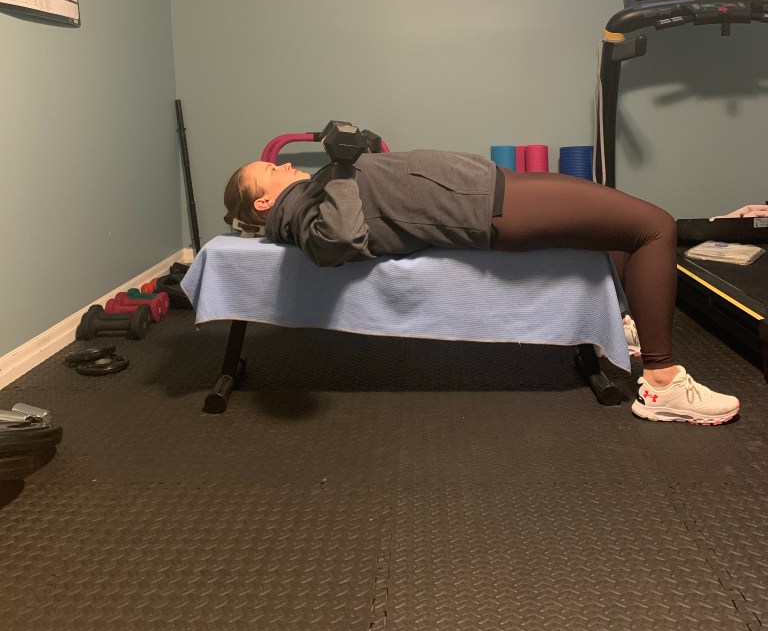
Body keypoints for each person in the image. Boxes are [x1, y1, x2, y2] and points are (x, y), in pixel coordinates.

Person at [223, 151, 740, 426]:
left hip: (483, 188)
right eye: (270, 170)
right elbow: (335, 241)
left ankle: (624, 326)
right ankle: (662, 381)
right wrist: (340, 166)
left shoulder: (307, 193)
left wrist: (355, 158)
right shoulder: (296, 210)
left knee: (615, 227)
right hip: (479, 208)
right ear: (264, 202)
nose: (283, 164)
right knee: (655, 227)